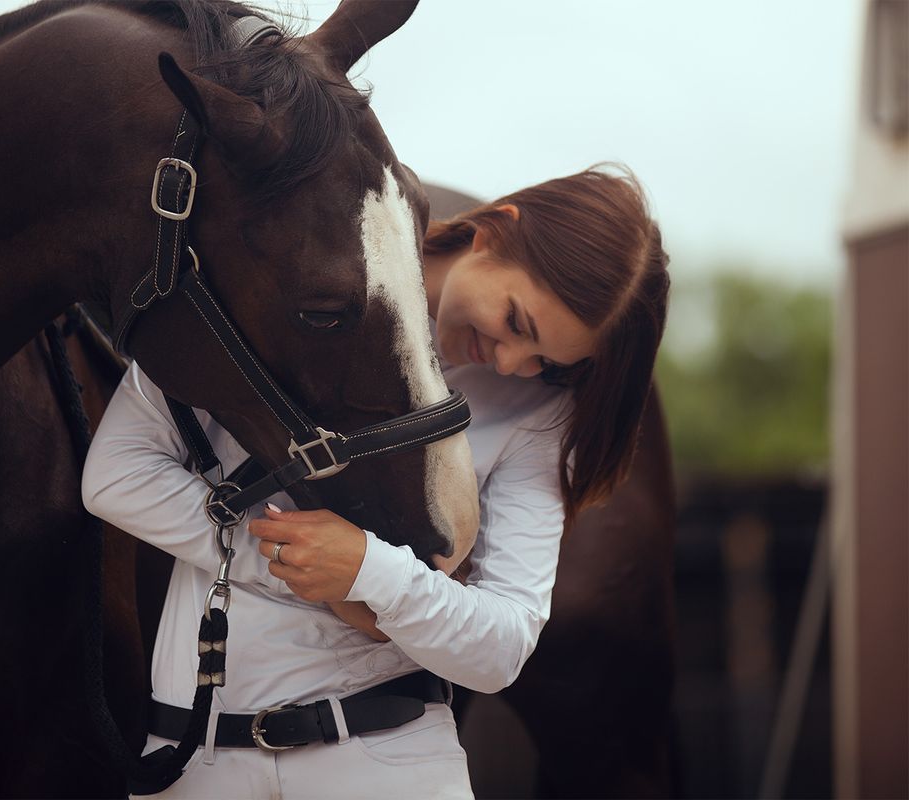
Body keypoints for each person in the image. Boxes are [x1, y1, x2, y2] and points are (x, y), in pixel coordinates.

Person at [82, 165, 670, 799]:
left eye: (547, 364)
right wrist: (310, 570)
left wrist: (371, 571)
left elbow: (501, 646)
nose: (509, 363)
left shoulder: (536, 410)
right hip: (192, 763)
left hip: (386, 762)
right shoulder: (294, 277)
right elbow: (117, 475)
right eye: (518, 324)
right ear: (495, 231)